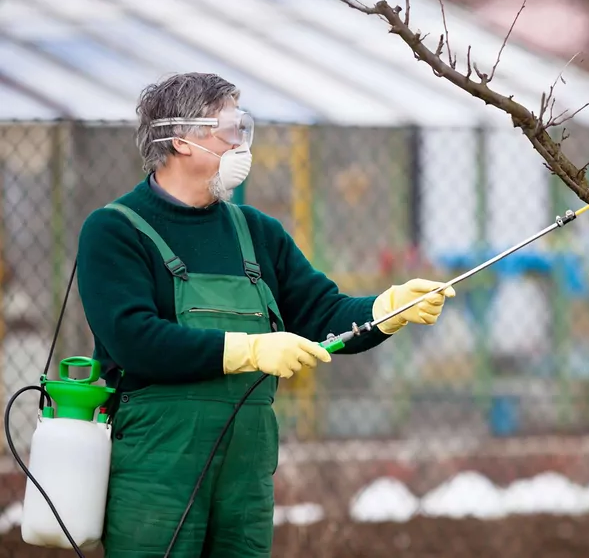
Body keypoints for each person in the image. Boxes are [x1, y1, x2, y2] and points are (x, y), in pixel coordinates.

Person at [75, 72, 455, 558]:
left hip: (245, 472)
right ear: (181, 140)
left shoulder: (256, 231)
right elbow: (134, 339)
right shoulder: (115, 230)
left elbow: (322, 313)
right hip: (157, 467)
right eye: (229, 129)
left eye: (243, 128)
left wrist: (386, 309)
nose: (242, 143)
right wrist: (251, 349)